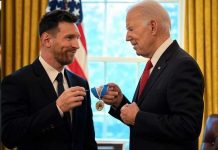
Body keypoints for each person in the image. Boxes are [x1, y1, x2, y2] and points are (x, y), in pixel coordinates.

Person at [102, 0, 204, 150]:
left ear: (153, 27)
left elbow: (188, 126)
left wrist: (137, 118)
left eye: (131, 29)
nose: (127, 37)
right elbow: (146, 115)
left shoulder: (183, 65)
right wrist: (120, 103)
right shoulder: (156, 64)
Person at [1, 10, 97, 150]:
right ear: (47, 40)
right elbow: (9, 136)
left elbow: (88, 140)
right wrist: (57, 108)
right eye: (69, 38)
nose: (76, 45)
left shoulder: (80, 83)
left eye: (77, 38)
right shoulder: (16, 82)